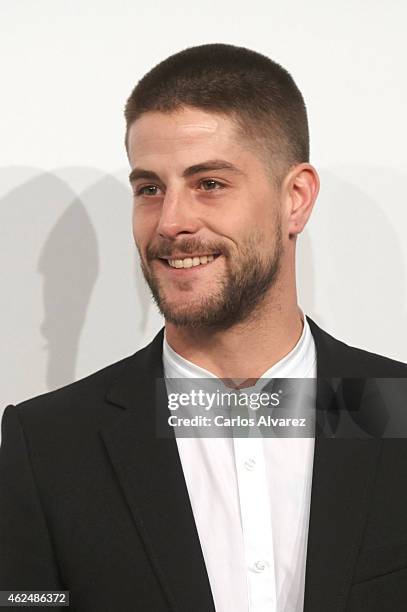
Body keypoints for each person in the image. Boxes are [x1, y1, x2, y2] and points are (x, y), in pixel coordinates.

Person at [1, 43, 407, 612]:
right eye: (149, 189)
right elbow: (25, 602)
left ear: (295, 199)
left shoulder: (395, 409)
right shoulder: (47, 445)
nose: (171, 222)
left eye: (209, 183)